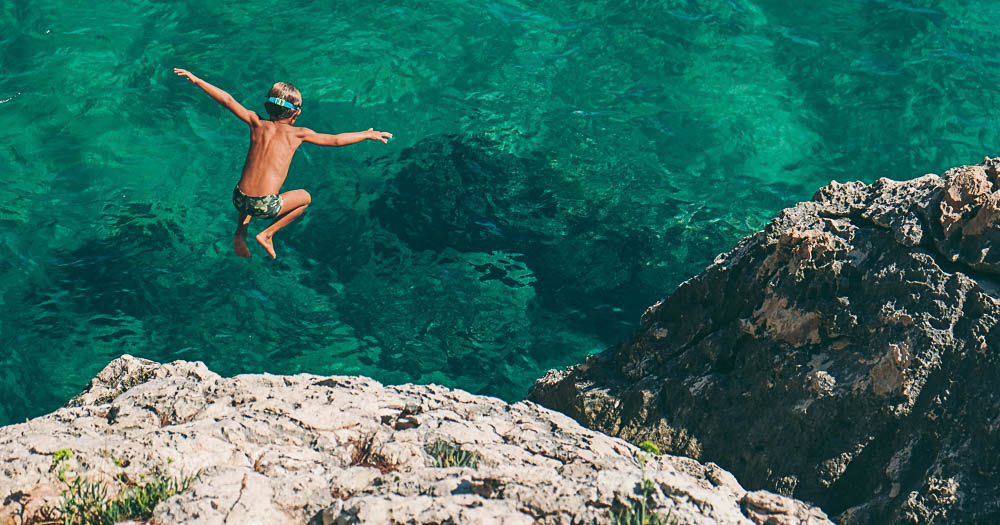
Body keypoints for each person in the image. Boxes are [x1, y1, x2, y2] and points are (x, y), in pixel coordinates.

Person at [173, 68, 392, 259]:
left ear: (269, 106)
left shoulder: (255, 122)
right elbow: (335, 140)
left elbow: (228, 100)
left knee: (251, 193)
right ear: (296, 112)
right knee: (305, 198)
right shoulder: (298, 134)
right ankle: (267, 234)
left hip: (239, 198)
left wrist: (197, 80)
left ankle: (241, 232)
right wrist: (365, 134)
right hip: (265, 206)